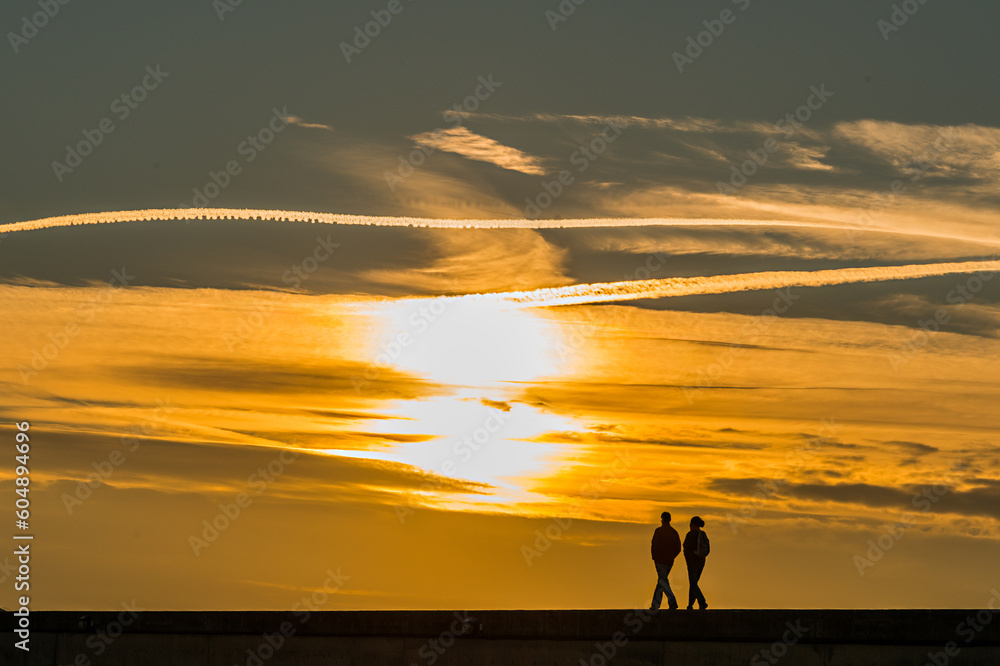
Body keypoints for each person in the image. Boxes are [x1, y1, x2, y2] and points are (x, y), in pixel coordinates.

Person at [649, 511, 681, 610]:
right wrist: (672, 556)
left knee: (662, 581)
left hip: (660, 561)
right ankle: (655, 605)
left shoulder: (659, 531)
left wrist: (654, 557)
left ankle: (672, 601)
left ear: (662, 519)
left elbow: (654, 545)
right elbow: (678, 548)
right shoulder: (674, 532)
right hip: (669, 562)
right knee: (662, 581)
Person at [683, 516, 710, 610]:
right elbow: (708, 549)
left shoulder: (690, 534)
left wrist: (688, 561)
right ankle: (690, 605)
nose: (689, 526)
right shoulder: (703, 534)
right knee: (693, 584)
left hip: (692, 563)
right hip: (701, 562)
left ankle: (702, 601)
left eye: (690, 524)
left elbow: (686, 549)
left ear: (693, 524)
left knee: (693, 584)